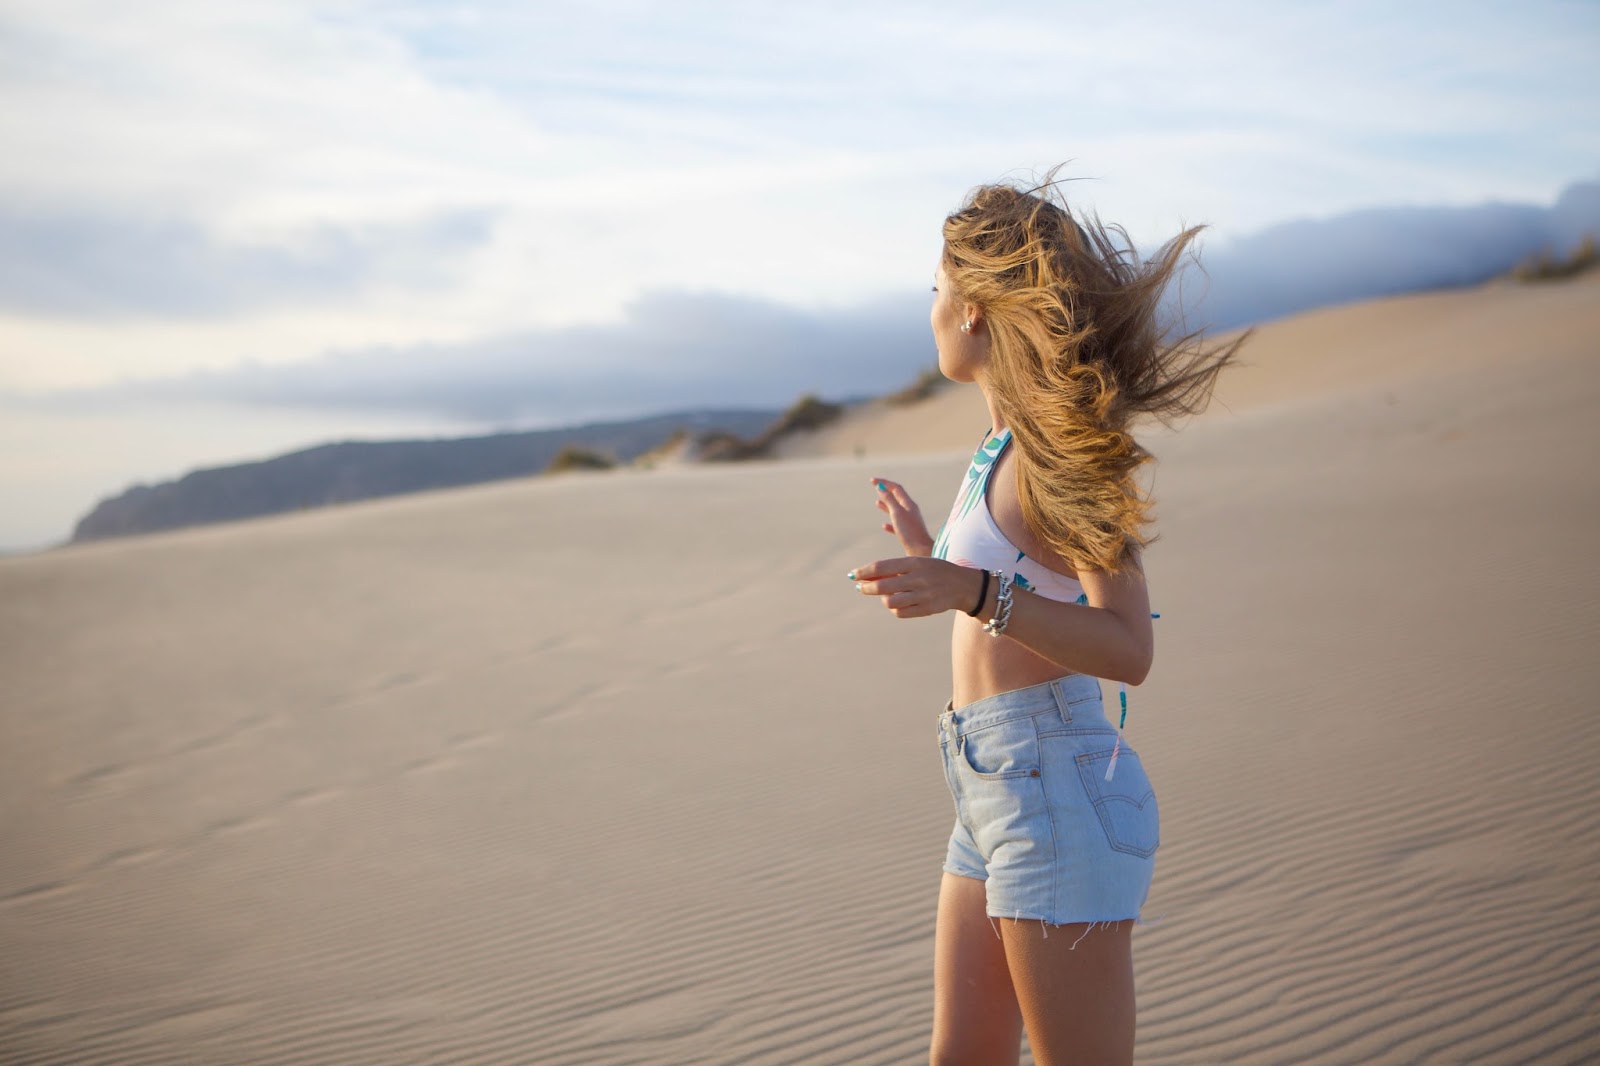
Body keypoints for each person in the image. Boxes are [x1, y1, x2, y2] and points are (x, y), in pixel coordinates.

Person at [846, 170, 1245, 1065]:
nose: (934, 307)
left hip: (1055, 782)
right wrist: (940, 563)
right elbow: (1018, 576)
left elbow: (1128, 648)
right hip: (987, 782)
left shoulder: (1066, 458)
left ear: (977, 310)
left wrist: (973, 593)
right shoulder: (1000, 448)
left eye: (937, 287)